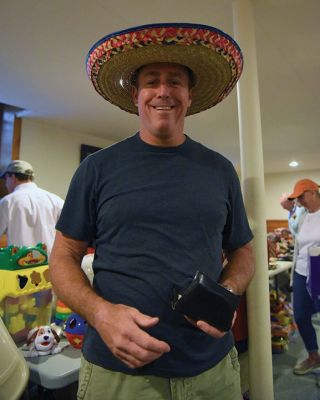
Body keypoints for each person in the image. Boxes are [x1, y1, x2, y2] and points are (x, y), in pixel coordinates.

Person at [50, 23, 255, 400]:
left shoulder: (220, 170)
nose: (163, 91)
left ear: (189, 95)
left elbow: (242, 250)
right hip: (119, 374)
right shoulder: (97, 169)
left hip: (212, 370)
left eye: (175, 81)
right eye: (152, 81)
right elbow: (63, 256)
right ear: (137, 96)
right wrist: (100, 314)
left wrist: (227, 291)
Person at [287, 178, 320, 374]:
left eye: (301, 196)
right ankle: (313, 356)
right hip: (300, 271)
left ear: (314, 192)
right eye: (296, 198)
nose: (299, 201)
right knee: (300, 315)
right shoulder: (303, 215)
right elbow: (297, 241)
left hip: (317, 268)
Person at [0, 160, 64, 256]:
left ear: (12, 177)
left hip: (19, 264)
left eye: (5, 179)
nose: (5, 184)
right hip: (48, 264)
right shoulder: (55, 200)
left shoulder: (7, 202)